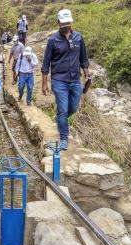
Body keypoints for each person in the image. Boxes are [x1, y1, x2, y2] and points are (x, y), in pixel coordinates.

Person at [41, 9, 90, 150]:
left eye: (68, 23)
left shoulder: (79, 38)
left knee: (73, 108)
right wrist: (44, 84)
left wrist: (87, 74)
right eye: (63, 23)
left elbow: (83, 58)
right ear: (58, 23)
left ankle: (60, 119)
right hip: (59, 80)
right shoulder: (52, 40)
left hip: (75, 80)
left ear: (71, 22)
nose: (66, 26)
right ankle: (63, 137)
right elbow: (45, 63)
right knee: (63, 110)